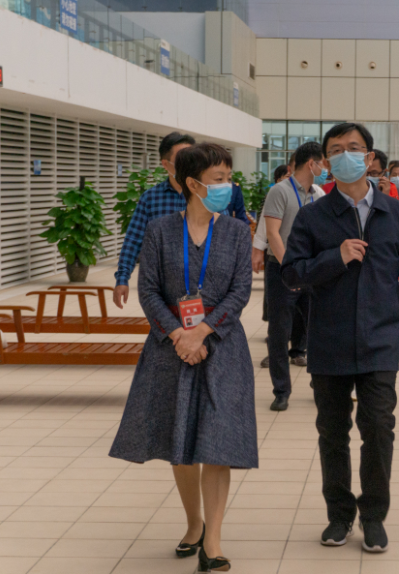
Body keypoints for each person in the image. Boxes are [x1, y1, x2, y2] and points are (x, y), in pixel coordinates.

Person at [281, 123, 399, 553]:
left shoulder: (395, 214)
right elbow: (291, 273)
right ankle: (339, 514)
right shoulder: (314, 216)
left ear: (369, 158)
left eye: (354, 148)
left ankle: (373, 515)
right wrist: (335, 257)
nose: (345, 155)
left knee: (379, 430)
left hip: (380, 339)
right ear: (325, 162)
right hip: (329, 339)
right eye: (336, 150)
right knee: (332, 432)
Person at [109, 143, 258, 573]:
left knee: (218, 441)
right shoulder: (160, 230)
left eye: (229, 178)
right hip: (170, 349)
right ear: (193, 183)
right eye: (218, 179)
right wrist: (179, 334)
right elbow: (149, 290)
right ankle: (194, 522)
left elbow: (240, 291)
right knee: (182, 442)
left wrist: (202, 331)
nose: (227, 186)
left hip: (222, 346)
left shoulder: (236, 231)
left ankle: (213, 541)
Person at [113, 132, 247, 309]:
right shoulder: (151, 198)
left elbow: (225, 240)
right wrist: (122, 278)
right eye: (181, 158)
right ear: (166, 164)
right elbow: (133, 239)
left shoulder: (209, 198)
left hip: (209, 289)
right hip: (168, 289)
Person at [264, 141, 328, 412]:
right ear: (311, 164)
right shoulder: (279, 191)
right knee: (279, 332)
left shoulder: (319, 194)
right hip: (282, 270)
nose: (326, 168)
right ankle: (281, 390)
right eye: (323, 163)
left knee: (318, 329)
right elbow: (273, 233)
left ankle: (319, 382)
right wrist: (290, 269)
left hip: (312, 271)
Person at [368, 150, 399, 231]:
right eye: (365, 173)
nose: (368, 177)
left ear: (384, 172)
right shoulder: (354, 193)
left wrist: (387, 199)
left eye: (374, 173)